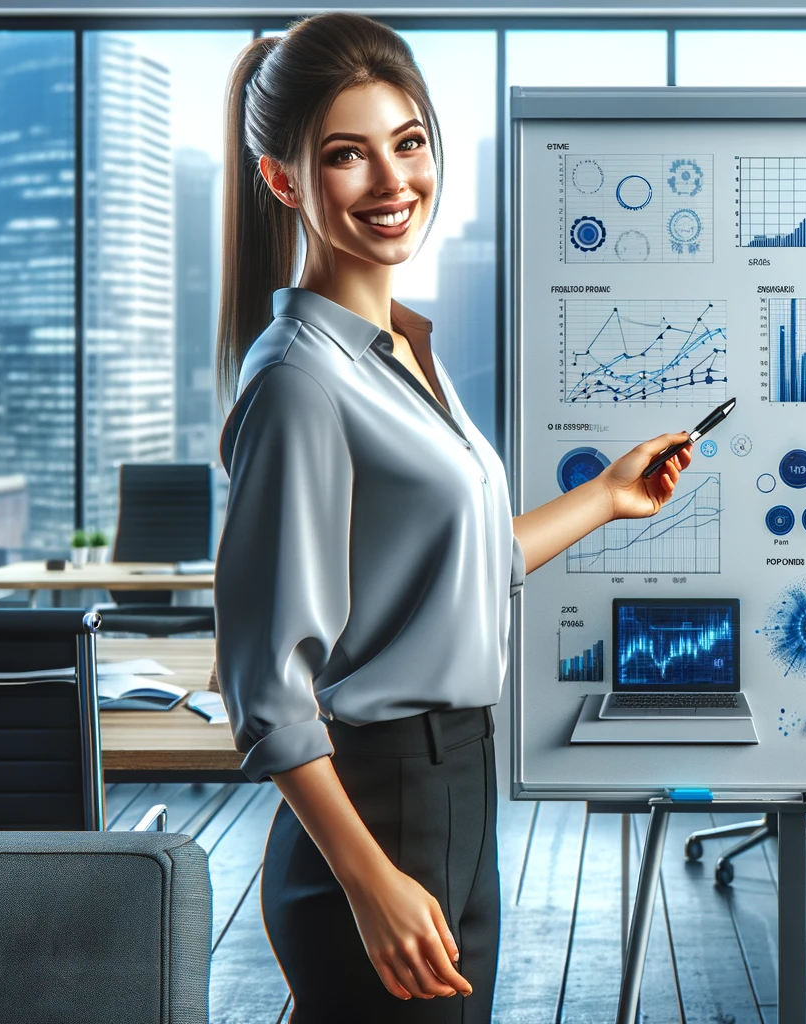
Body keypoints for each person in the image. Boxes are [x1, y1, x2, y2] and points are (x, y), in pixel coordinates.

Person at [212, 14, 694, 1023]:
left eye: (409, 141)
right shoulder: (303, 380)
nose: (392, 182)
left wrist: (607, 496)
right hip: (378, 803)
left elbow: (456, 568)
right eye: (346, 155)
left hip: (458, 782)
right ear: (284, 182)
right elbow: (265, 683)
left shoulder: (404, 351)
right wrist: (366, 878)